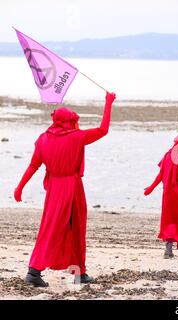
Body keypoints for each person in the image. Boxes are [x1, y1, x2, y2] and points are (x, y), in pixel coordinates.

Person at [14, 92, 116, 287]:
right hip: (72, 187)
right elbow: (103, 130)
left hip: (54, 189)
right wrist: (108, 103)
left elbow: (33, 166)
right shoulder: (77, 137)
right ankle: (39, 273)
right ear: (70, 121)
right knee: (75, 228)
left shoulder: (43, 139)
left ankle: (70, 272)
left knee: (49, 228)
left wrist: (20, 188)